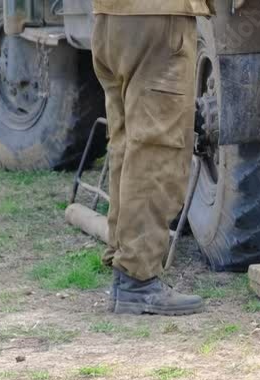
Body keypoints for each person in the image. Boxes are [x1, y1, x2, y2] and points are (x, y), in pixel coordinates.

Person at [91, 0, 211, 315]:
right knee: (157, 148)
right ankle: (137, 278)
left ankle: (125, 267)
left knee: (128, 142)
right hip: (158, 18)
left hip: (110, 18)